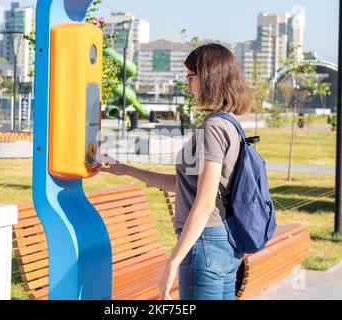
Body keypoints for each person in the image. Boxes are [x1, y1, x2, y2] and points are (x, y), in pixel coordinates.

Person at [99, 43, 253, 300]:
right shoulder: (230, 124)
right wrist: (126, 169)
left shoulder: (213, 128)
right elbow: (186, 185)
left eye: (190, 77)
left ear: (209, 78)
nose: (188, 85)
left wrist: (173, 261)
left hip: (204, 245)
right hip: (224, 244)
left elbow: (204, 204)